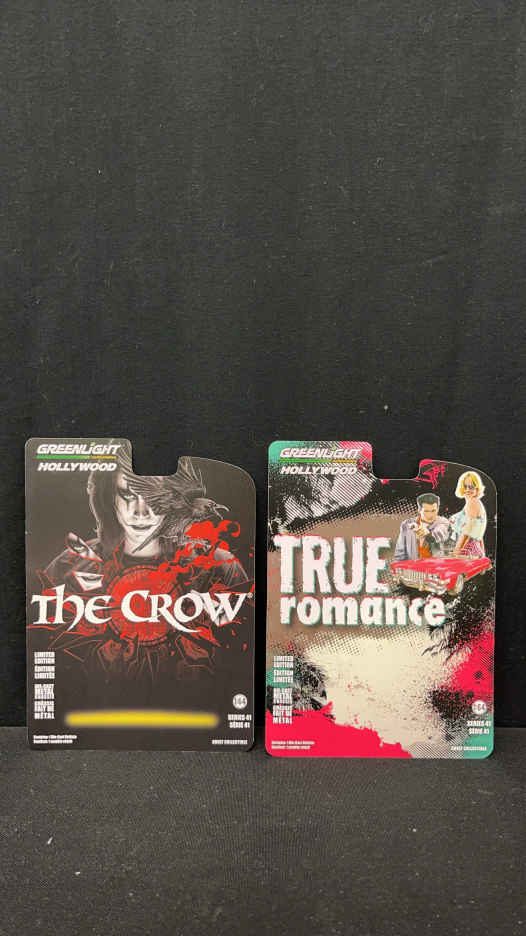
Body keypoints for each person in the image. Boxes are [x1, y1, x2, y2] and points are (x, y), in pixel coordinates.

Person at [394, 493, 451, 561]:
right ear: (419, 510)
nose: (430, 515)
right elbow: (400, 553)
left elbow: (440, 533)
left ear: (438, 509)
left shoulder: (443, 522)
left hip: (435, 566)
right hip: (413, 566)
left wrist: (428, 534)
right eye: (426, 511)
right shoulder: (406, 524)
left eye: (433, 511)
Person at [450, 471, 487, 557]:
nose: (467, 490)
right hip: (474, 549)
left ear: (477, 488)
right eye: (465, 486)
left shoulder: (472, 502)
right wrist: (483, 554)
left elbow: (467, 531)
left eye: (471, 487)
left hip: (468, 549)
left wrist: (457, 550)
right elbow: (479, 534)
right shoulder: (475, 502)